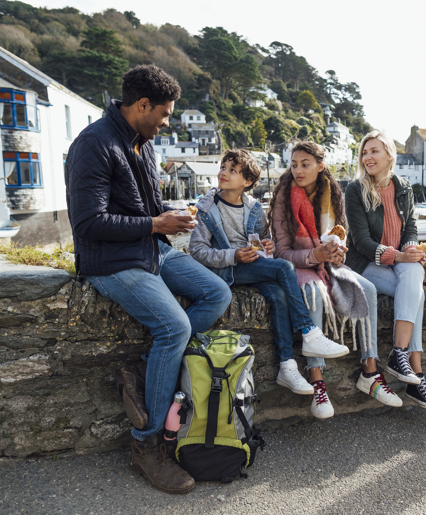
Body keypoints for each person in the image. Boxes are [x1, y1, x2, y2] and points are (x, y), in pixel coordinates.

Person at [65, 65, 233, 494]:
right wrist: (156, 224)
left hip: (149, 249)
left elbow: (149, 212)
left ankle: (145, 374)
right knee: (173, 326)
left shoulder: (144, 143)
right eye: (164, 114)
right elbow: (88, 223)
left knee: (217, 292)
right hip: (110, 260)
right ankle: (146, 446)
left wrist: (169, 222)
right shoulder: (93, 145)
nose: (167, 122)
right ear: (141, 105)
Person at [189, 149, 350, 398]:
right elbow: (197, 251)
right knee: (284, 267)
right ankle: (308, 331)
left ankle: (286, 365)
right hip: (226, 271)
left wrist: (269, 246)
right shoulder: (207, 208)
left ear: (248, 182)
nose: (223, 172)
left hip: (253, 266)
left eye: (232, 170)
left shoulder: (253, 208)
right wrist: (233, 255)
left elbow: (265, 240)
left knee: (278, 295)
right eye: (223, 167)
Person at [269, 141, 403, 418]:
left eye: (305, 164)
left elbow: (341, 243)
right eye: (294, 165)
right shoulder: (284, 196)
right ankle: (317, 380)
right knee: (314, 292)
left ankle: (370, 372)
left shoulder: (332, 195)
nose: (298, 170)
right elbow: (282, 252)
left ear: (320, 166)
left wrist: (337, 255)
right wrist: (314, 254)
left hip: (326, 263)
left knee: (366, 287)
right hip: (299, 263)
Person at [345, 130, 426, 411]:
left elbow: (410, 229)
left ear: (390, 155)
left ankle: (398, 354)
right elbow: (362, 242)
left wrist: (411, 249)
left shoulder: (403, 187)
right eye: (364, 152)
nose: (368, 157)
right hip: (365, 264)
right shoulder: (356, 190)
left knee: (413, 276)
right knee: (418, 294)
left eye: (374, 151)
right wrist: (400, 255)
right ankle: (416, 376)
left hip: (398, 261)